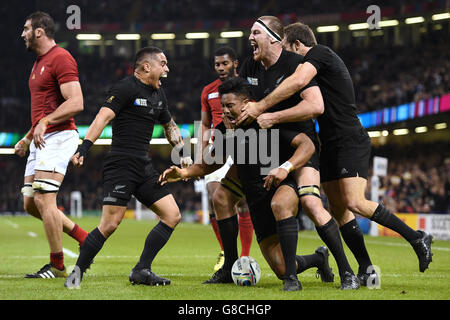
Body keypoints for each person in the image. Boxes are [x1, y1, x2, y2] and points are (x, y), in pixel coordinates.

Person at [238, 22, 433, 282]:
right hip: (328, 142)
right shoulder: (302, 62)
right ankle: (364, 267)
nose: (287, 55)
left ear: (297, 44)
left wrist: (263, 108)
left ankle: (417, 237)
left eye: (286, 47)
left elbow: (299, 81)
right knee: (339, 210)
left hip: (349, 137)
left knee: (354, 201)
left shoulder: (321, 54)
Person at [209, 16, 358, 289]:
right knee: (222, 194)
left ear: (273, 38)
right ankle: (310, 261)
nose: (249, 38)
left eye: (255, 32)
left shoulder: (295, 64)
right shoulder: (250, 65)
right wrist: (227, 122)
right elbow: (242, 102)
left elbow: (315, 106)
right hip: (266, 146)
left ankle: (347, 271)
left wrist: (272, 116)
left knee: (311, 203)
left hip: (301, 145)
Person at [160, 77, 334, 291]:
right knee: (277, 266)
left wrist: (285, 167)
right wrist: (184, 172)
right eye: (222, 106)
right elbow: (212, 162)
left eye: (230, 106)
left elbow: (307, 144)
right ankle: (317, 259)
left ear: (246, 104)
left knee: (279, 209)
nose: (224, 111)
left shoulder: (264, 120)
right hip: (255, 195)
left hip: (280, 186)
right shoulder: (224, 130)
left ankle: (293, 278)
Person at [64, 46, 191, 289]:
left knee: (172, 215)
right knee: (110, 224)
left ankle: (142, 270)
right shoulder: (125, 88)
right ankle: (77, 273)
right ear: (146, 67)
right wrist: (84, 148)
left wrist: (183, 154)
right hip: (121, 163)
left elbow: (170, 126)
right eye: (163, 64)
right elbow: (102, 117)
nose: (167, 69)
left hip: (143, 166)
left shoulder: (159, 94)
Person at [16, 11, 88, 279]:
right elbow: (42, 112)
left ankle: (57, 265)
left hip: (59, 136)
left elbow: (76, 102)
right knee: (30, 203)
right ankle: (84, 237)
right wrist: (27, 136)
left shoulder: (61, 57)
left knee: (46, 198)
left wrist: (45, 122)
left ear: (39, 31)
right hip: (42, 138)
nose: (22, 34)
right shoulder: (38, 63)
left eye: (25, 28)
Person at [199, 46, 253, 271]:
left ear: (235, 63)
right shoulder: (208, 91)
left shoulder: (248, 86)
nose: (220, 68)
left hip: (243, 143)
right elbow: (204, 123)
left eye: (224, 63)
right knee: (215, 196)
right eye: (217, 64)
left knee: (242, 202)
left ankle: (244, 255)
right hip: (218, 144)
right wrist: (202, 151)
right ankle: (225, 251)